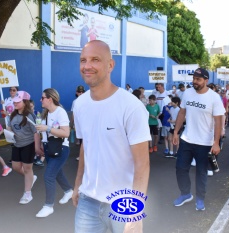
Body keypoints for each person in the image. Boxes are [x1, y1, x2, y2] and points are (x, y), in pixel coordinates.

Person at [73, 40, 150, 233]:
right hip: (88, 201)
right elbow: (85, 147)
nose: (87, 66)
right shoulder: (80, 105)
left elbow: (142, 163)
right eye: (83, 60)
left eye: (95, 60)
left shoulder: (131, 107)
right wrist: (77, 185)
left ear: (110, 65)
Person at [172, 68, 225, 211]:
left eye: (198, 79)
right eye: (194, 78)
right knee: (180, 168)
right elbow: (182, 113)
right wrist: (176, 132)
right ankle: (185, 194)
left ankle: (200, 199)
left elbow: (218, 122)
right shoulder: (188, 93)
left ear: (206, 81)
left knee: (201, 172)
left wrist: (216, 142)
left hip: (205, 143)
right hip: (187, 139)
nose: (194, 81)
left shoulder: (214, 97)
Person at [34, 88, 73, 217]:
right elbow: (43, 133)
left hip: (60, 149)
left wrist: (48, 128)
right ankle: (68, 191)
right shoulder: (45, 113)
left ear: (50, 99)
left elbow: (66, 133)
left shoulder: (60, 112)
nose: (41, 100)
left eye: (42, 97)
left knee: (48, 176)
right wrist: (39, 144)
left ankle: (48, 206)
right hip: (48, 147)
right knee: (57, 173)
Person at [7, 91, 41, 204]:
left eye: (18, 101)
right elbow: (11, 127)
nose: (15, 103)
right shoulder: (13, 114)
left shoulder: (30, 116)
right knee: (16, 167)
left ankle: (27, 194)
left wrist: (37, 147)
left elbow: (36, 132)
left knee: (27, 169)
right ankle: (31, 178)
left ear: (25, 102)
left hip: (28, 145)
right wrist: (9, 132)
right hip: (16, 144)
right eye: (14, 101)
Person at [71, 85, 85, 162]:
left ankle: (81, 156)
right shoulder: (88, 100)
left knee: (82, 141)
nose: (80, 93)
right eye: (80, 92)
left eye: (81, 92)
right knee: (83, 140)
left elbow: (74, 113)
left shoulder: (75, 102)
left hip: (80, 123)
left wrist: (71, 123)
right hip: (83, 123)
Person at [30, 99, 45, 167]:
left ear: (34, 106)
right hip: (30, 132)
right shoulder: (26, 114)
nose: (30, 108)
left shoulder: (36, 112)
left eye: (31, 106)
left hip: (37, 131)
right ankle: (35, 156)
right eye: (29, 106)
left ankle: (41, 158)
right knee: (33, 145)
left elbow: (39, 121)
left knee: (39, 145)